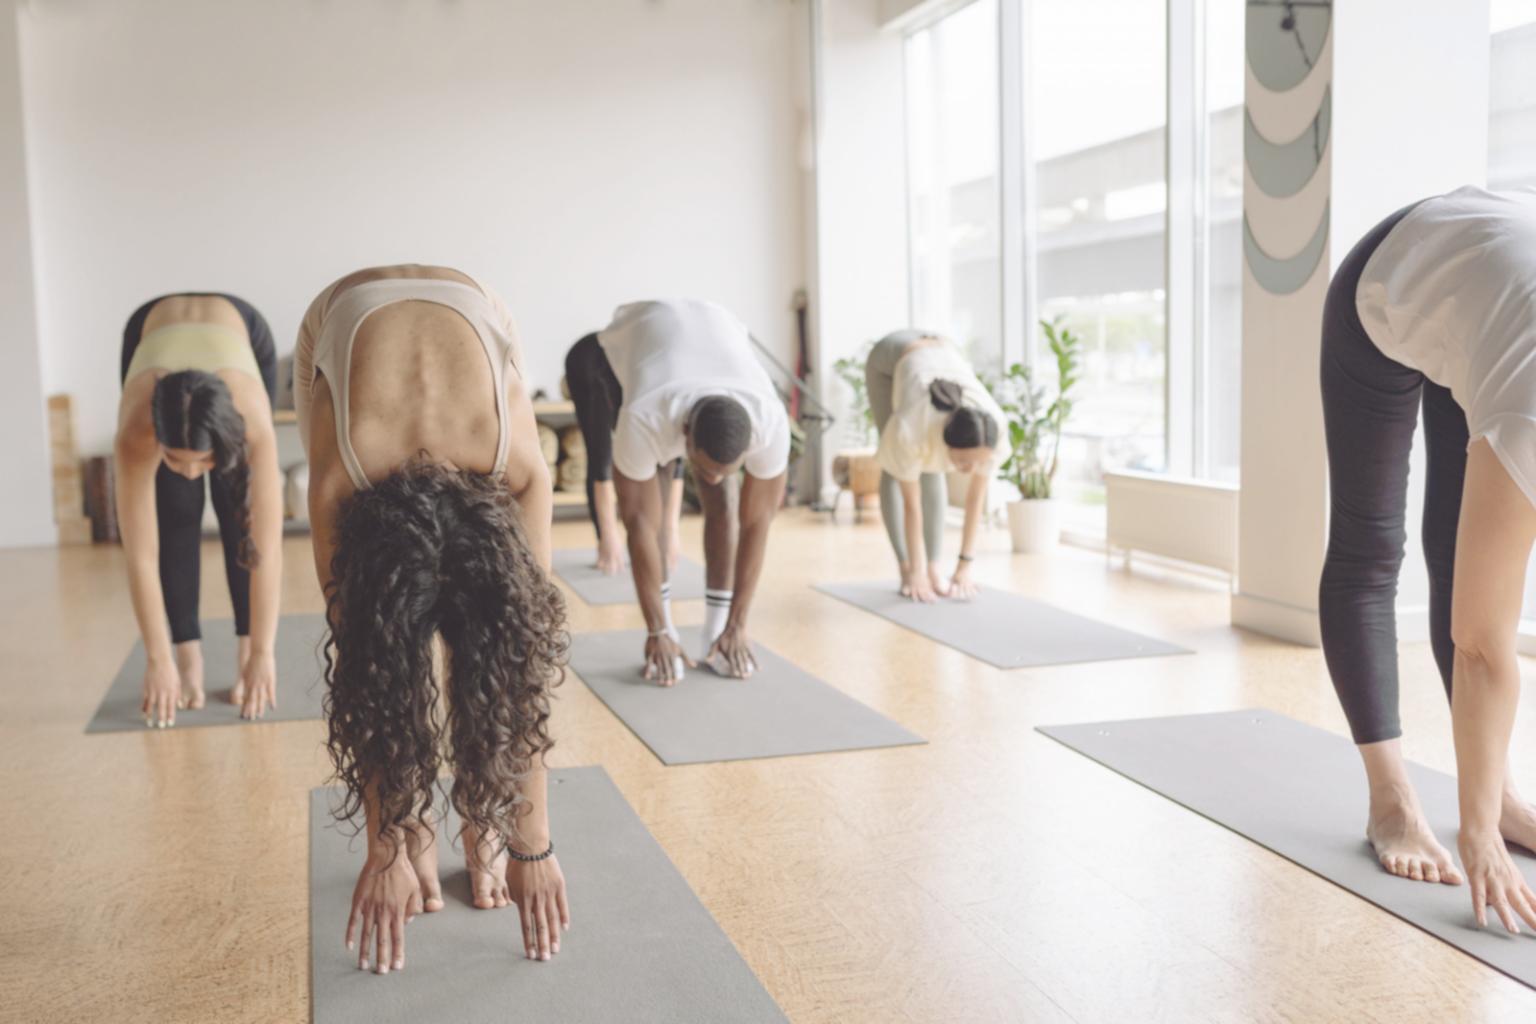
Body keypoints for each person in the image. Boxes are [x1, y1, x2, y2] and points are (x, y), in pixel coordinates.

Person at [295, 264, 570, 974]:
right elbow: (369, 677)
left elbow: (521, 671)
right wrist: (390, 839)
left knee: (496, 647)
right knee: (388, 648)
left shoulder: (517, 465)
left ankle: (480, 821)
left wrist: (525, 839)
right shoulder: (339, 479)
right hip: (339, 319)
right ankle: (423, 837)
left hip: (475, 307)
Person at [1319, 186, 1536, 934]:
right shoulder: (1531, 417)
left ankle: (1501, 798)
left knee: (1459, 547)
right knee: (1372, 544)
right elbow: (1482, 644)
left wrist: (1489, 806)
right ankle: (1391, 799)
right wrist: (1471, 835)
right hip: (1397, 281)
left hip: (1493, 297)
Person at [589, 298, 790, 684]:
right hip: (633, 339)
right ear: (685, 437)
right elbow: (639, 524)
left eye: (724, 470)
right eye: (703, 467)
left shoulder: (770, 422)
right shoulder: (645, 418)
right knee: (655, 502)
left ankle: (717, 634)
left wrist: (738, 624)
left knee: (724, 501)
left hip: (719, 323)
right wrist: (657, 630)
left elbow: (757, 527)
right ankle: (667, 634)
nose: (711, 477)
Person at [114, 292, 284, 728]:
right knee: (176, 510)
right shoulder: (137, 428)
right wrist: (159, 657)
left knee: (237, 510)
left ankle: (245, 652)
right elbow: (141, 554)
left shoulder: (253, 423)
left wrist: (264, 651)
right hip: (148, 326)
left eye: (203, 462)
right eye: (175, 459)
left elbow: (268, 546)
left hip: (240, 325)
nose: (192, 473)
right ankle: (189, 660)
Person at [865, 330, 1004, 602]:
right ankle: (907, 567)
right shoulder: (911, 427)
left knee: (933, 468)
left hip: (943, 349)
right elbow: (911, 505)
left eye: (976, 462)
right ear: (948, 443)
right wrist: (915, 570)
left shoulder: (993, 430)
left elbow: (975, 499)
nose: (968, 470)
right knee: (896, 467)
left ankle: (934, 567)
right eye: (963, 461)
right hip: (891, 356)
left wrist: (965, 565)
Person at [563, 331, 685, 576]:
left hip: (624, 364)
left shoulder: (666, 391)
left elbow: (676, 462)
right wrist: (608, 535)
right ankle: (604, 543)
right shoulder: (604, 387)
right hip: (584, 362)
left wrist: (671, 531)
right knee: (598, 450)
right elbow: (601, 464)